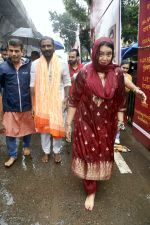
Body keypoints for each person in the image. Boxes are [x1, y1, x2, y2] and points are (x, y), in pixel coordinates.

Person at [65, 37, 146, 211]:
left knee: (101, 153)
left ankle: (96, 177)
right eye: (101, 54)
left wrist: (136, 90)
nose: (104, 58)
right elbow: (74, 99)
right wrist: (68, 124)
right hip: (86, 121)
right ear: (94, 53)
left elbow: (120, 98)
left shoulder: (116, 73)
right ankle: (91, 190)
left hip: (106, 124)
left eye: (108, 54)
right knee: (87, 154)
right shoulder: (84, 72)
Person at [30, 36, 71, 163]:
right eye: (44, 46)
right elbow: (32, 85)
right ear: (40, 48)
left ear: (53, 47)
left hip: (58, 101)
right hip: (41, 102)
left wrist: (66, 99)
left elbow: (67, 82)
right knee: (44, 129)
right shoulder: (35, 64)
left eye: (49, 45)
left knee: (57, 126)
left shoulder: (62, 63)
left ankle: (57, 151)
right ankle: (46, 152)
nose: (46, 48)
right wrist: (33, 105)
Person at [0, 38, 35, 167]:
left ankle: (26, 146)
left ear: (22, 51)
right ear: (7, 50)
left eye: (16, 51)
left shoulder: (29, 66)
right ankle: (12, 155)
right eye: (11, 50)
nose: (13, 54)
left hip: (27, 104)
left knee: (27, 128)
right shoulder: (3, 67)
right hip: (10, 106)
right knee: (10, 132)